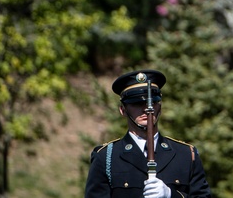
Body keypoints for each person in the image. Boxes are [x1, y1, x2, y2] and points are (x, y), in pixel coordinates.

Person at [84, 69, 212, 198]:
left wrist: (171, 195)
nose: (146, 109)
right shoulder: (107, 158)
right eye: (137, 103)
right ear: (123, 110)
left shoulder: (186, 154)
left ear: (160, 107)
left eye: (152, 102)